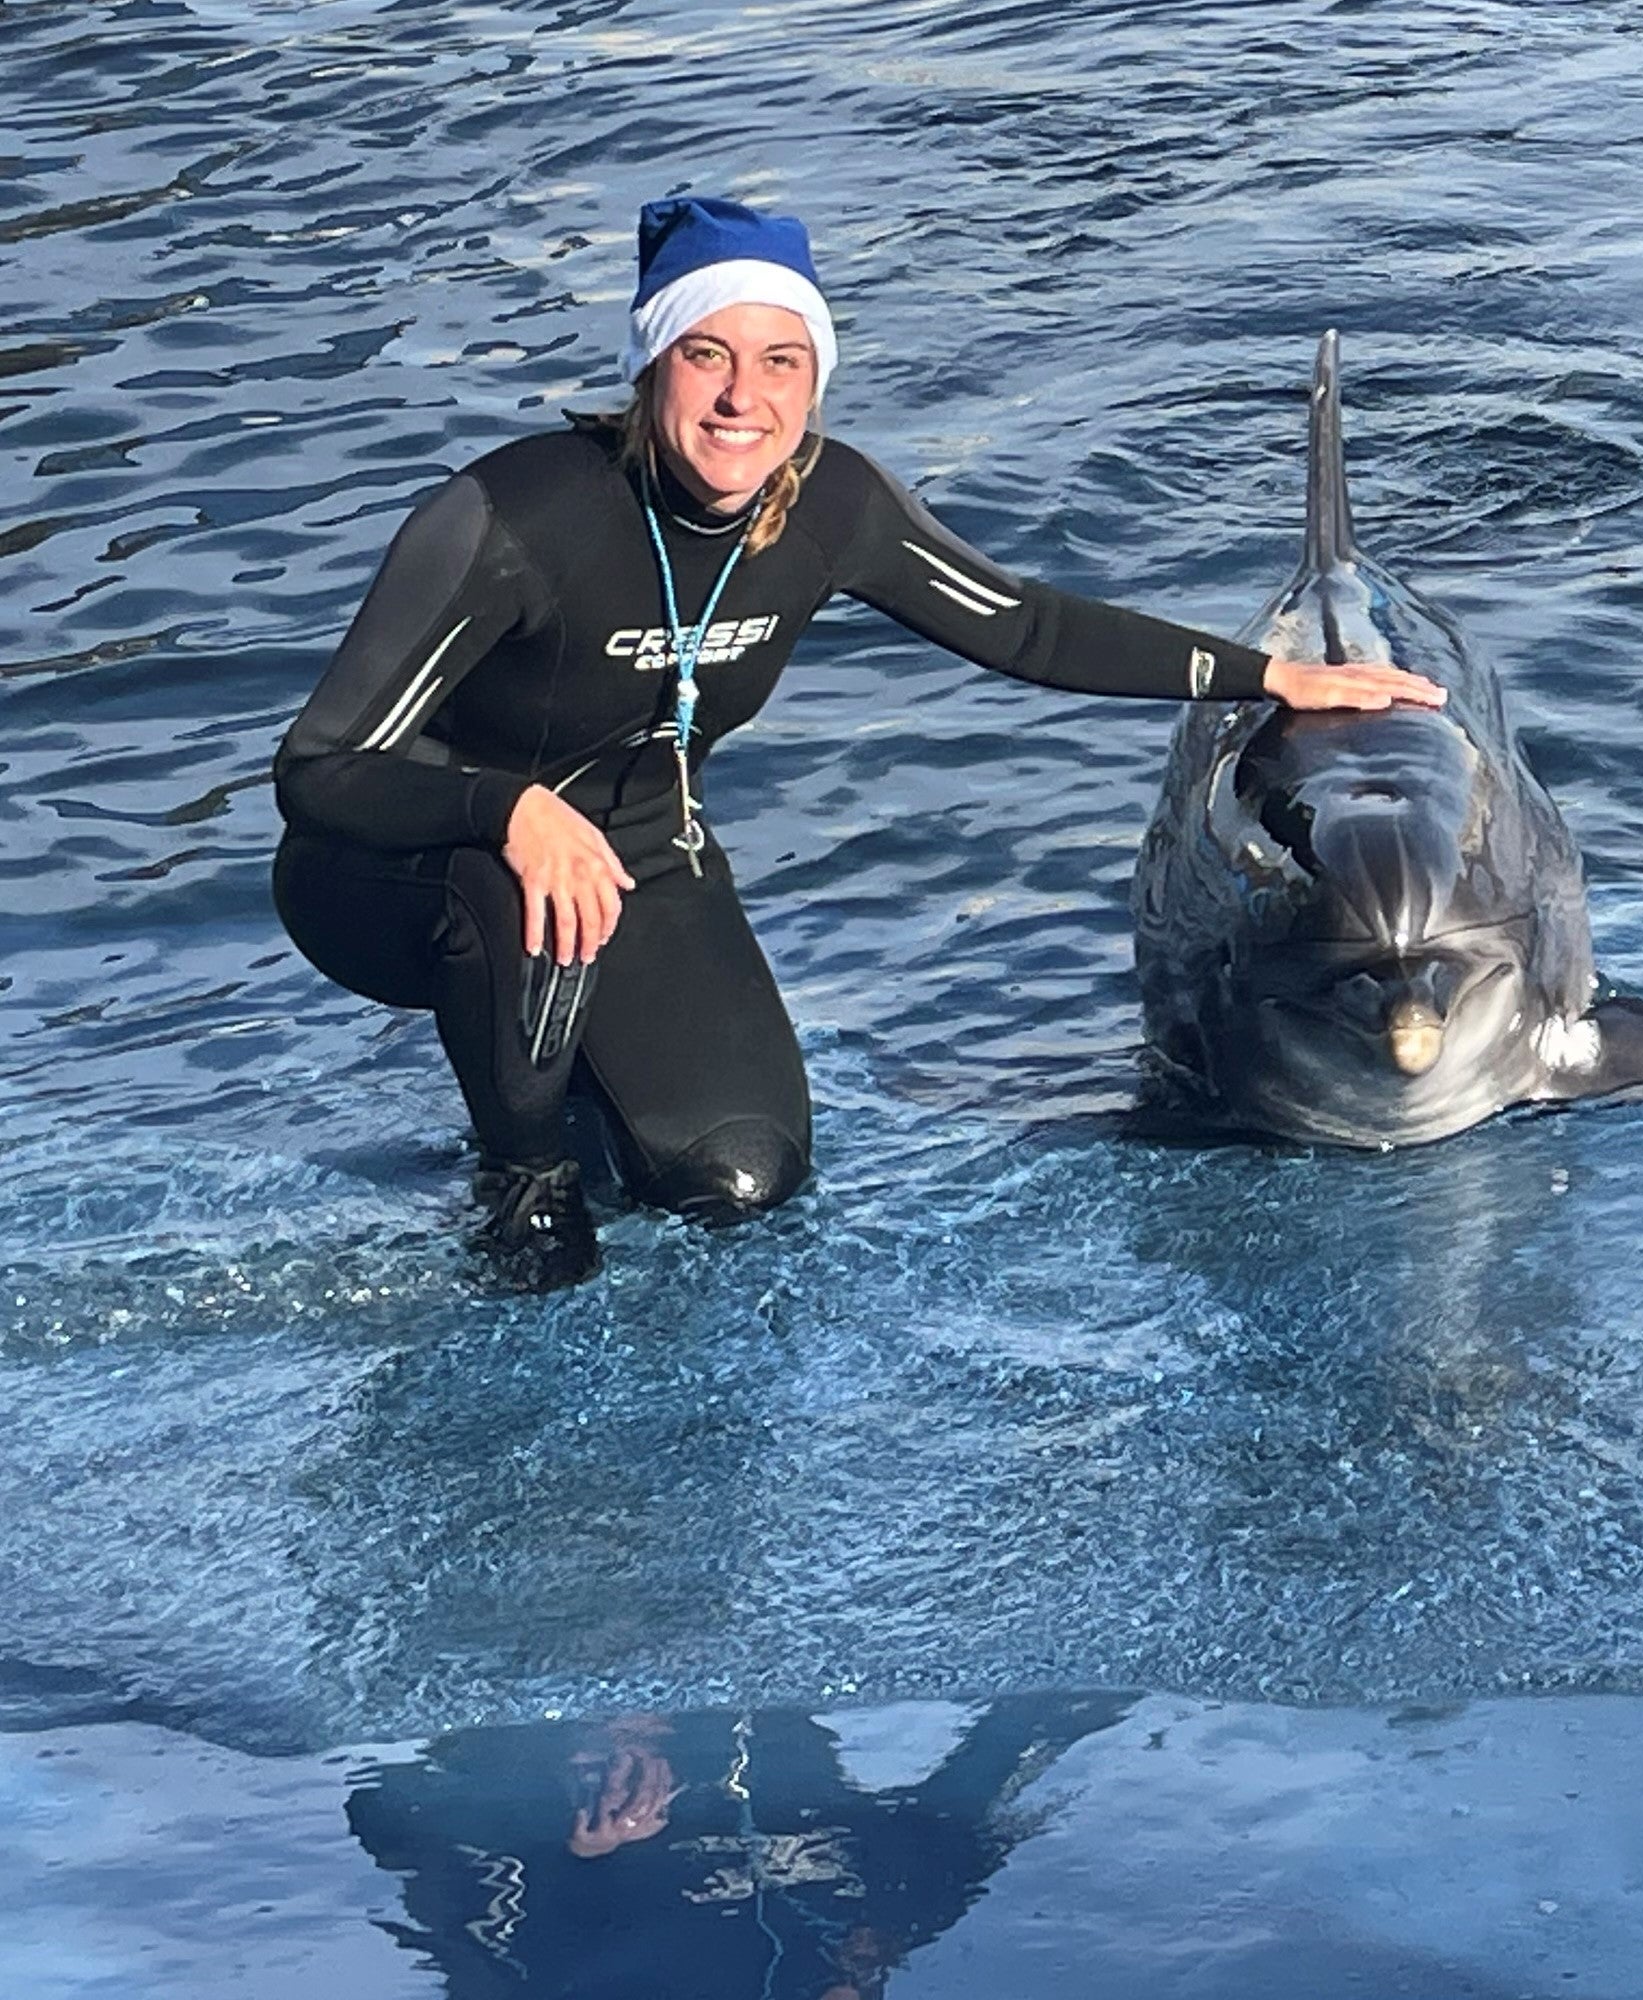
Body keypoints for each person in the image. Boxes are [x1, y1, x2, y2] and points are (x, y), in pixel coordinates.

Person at [273, 192, 1440, 1291]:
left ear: (815, 379)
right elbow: (320, 771)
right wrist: (509, 810)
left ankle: (571, 1074)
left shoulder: (830, 508)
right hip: (401, 860)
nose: (744, 400)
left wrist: (1270, 675)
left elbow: (1023, 624)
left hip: (638, 852)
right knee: (525, 891)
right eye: (707, 356)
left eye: (780, 362)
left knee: (739, 1178)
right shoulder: (516, 517)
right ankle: (522, 1181)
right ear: (652, 365)